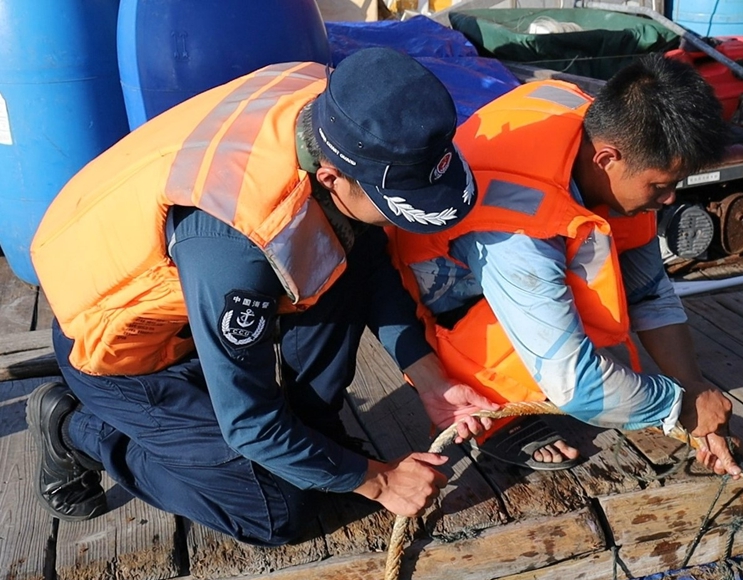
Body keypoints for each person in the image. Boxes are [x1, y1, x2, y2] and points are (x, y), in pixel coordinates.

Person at [28, 47, 499, 545]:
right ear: (331, 178)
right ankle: (73, 427)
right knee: (276, 510)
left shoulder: (336, 108)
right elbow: (249, 423)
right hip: (123, 355)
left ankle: (313, 439)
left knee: (350, 254)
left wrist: (429, 379)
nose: (394, 221)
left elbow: (369, 260)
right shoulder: (235, 239)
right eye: (392, 207)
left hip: (199, 298)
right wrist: (380, 480)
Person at [388, 53, 742, 476]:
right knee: (576, 377)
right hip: (453, 311)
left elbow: (650, 292)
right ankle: (500, 415)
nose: (670, 200)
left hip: (536, 252)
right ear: (607, 159)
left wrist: (693, 386)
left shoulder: (616, 139)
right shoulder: (513, 227)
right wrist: (678, 406)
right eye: (662, 187)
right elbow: (577, 387)